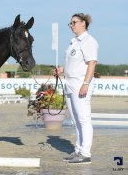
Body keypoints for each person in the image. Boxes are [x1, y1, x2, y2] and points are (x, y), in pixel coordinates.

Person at [52, 13, 99, 164]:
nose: (71, 25)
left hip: (81, 84)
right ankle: (78, 150)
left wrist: (86, 83)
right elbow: (74, 65)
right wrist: (61, 70)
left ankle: (85, 153)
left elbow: (91, 63)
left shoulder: (88, 41)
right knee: (75, 120)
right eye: (70, 23)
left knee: (84, 119)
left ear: (83, 23)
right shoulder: (74, 42)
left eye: (74, 22)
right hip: (70, 83)